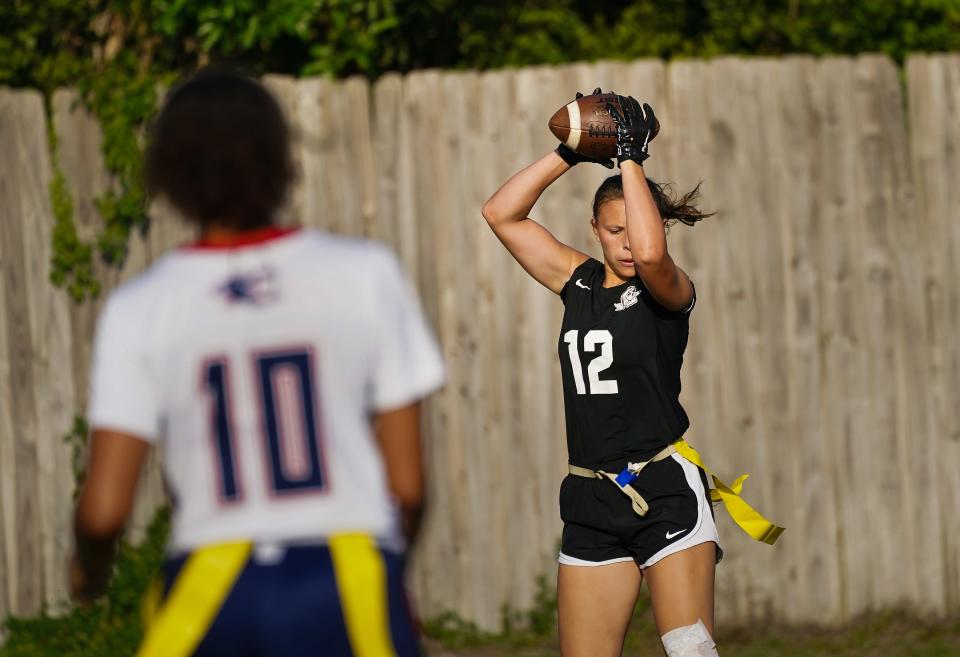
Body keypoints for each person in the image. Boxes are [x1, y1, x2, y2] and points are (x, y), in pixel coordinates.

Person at [69, 68, 445, 657]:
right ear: (280, 157)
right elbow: (409, 485)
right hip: (346, 572)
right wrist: (390, 571)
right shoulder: (364, 273)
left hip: (211, 584)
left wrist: (88, 575)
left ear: (168, 169)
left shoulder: (140, 305)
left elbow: (104, 511)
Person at [481, 90, 782, 657]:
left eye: (636, 228)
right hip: (591, 498)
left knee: (690, 650)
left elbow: (648, 255)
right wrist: (570, 152)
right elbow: (500, 213)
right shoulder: (579, 283)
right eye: (612, 230)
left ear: (658, 225)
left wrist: (630, 158)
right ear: (594, 228)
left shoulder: (667, 287)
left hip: (663, 488)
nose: (626, 242)